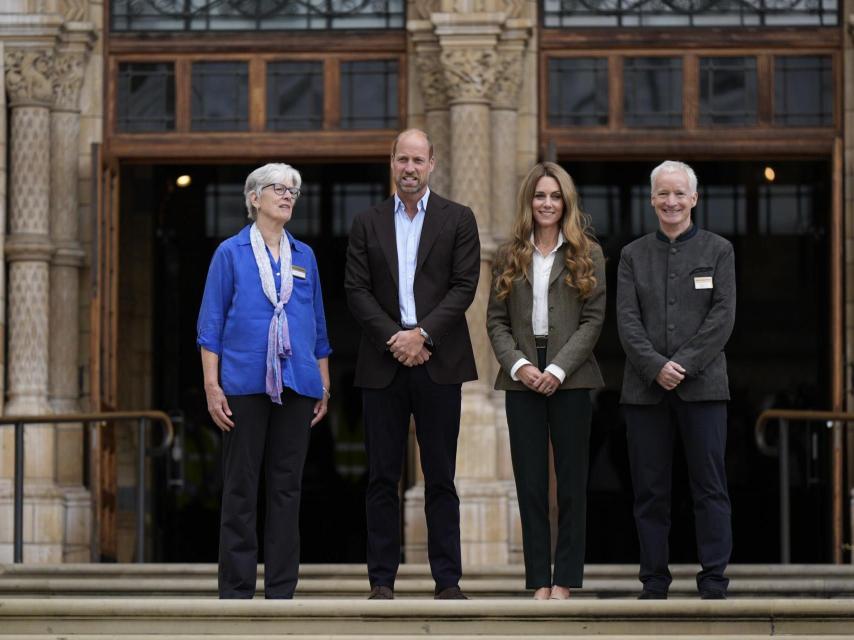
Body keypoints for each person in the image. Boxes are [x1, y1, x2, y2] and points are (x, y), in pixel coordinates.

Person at [344, 128, 480, 600]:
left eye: (418, 160)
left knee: (441, 475)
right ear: (392, 162)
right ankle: (381, 580)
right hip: (382, 364)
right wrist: (394, 338)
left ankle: (448, 581)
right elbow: (356, 291)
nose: (410, 168)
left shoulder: (458, 219)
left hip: (437, 361)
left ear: (432, 164)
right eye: (402, 159)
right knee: (382, 475)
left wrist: (420, 335)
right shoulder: (367, 222)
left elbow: (464, 286)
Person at [197, 162, 332, 599]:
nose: (288, 195)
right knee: (240, 486)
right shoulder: (230, 253)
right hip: (243, 384)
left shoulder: (305, 256)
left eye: (294, 189)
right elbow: (210, 324)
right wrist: (212, 387)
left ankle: (280, 589)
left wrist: (323, 385)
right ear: (254, 198)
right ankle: (236, 589)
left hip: (297, 386)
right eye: (279, 188)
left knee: (286, 489)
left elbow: (319, 327)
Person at [616, 160, 735, 600]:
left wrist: (681, 364)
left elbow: (722, 318)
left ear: (694, 199)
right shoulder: (632, 255)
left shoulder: (719, 251)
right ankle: (653, 579)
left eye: (679, 194)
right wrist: (655, 367)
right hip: (644, 392)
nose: (671, 201)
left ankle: (714, 579)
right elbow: (627, 322)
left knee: (709, 486)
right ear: (652, 199)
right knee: (650, 490)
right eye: (663, 194)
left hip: (704, 389)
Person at [487, 162, 606, 600]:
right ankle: (539, 578)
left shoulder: (587, 253)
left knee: (572, 482)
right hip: (522, 376)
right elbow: (495, 321)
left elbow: (593, 321)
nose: (547, 204)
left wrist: (557, 369)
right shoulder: (508, 255)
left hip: (570, 377)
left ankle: (566, 579)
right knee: (530, 482)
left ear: (566, 202)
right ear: (529, 202)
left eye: (555, 196)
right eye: (540, 196)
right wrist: (520, 366)